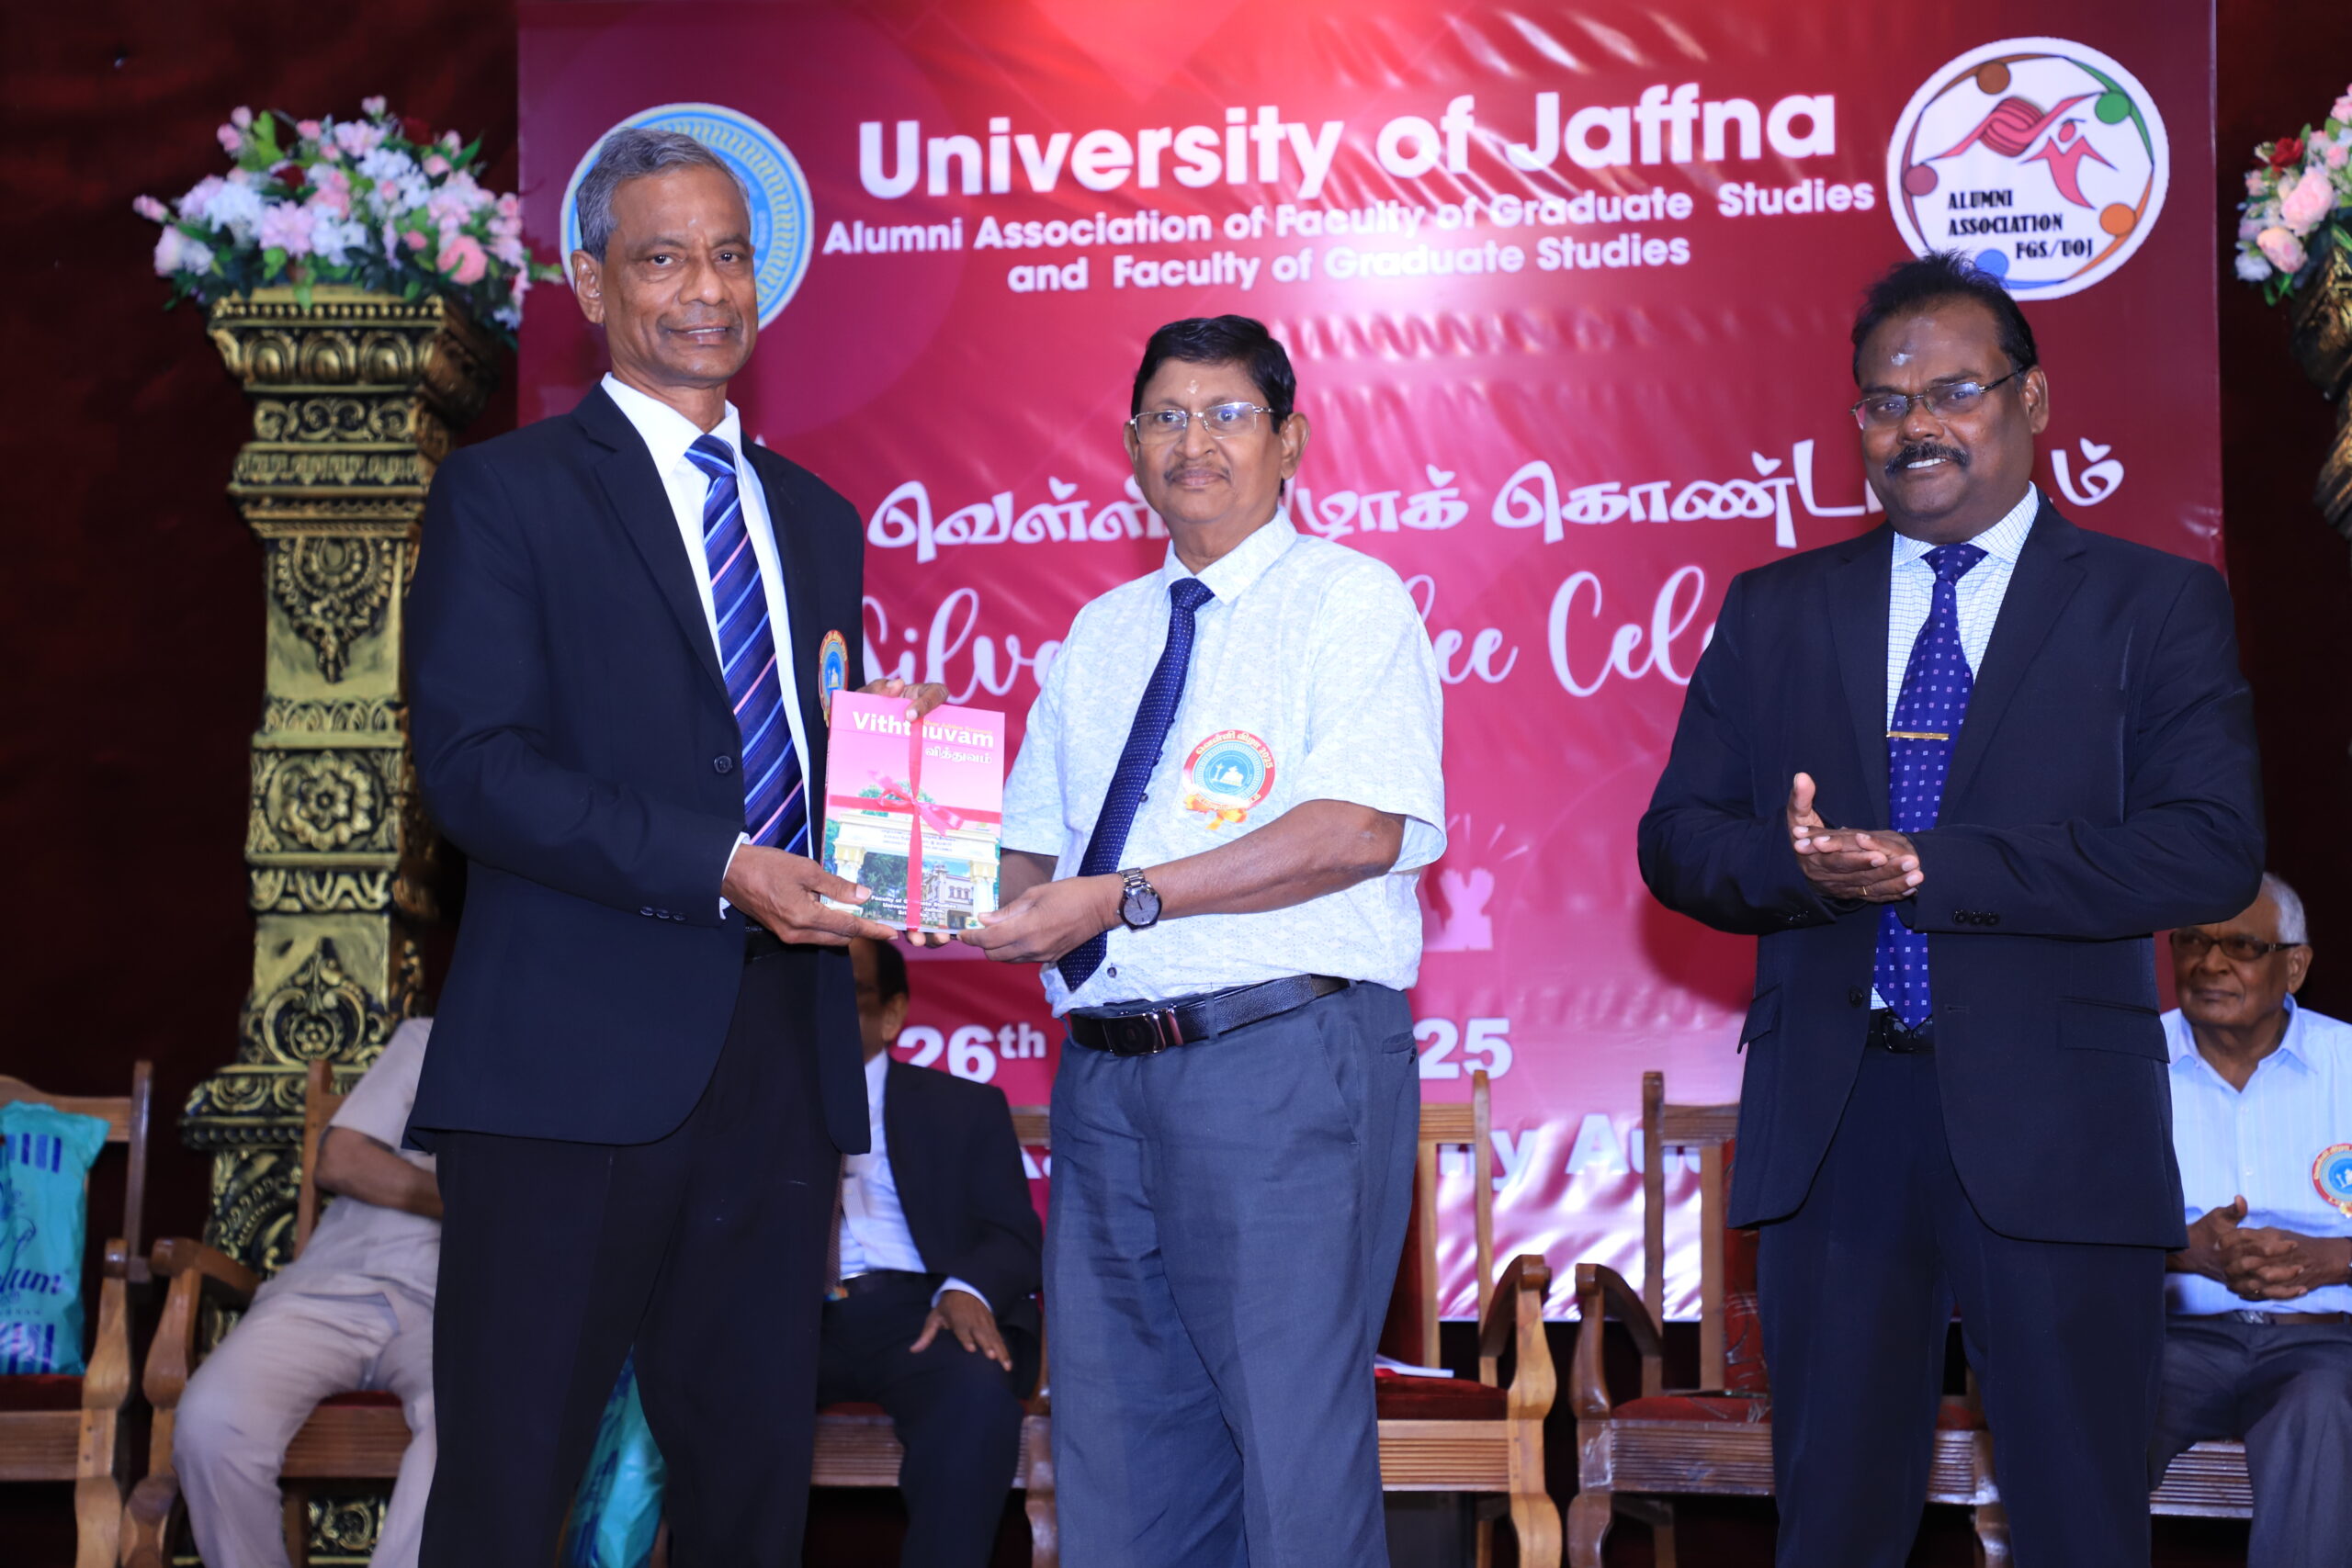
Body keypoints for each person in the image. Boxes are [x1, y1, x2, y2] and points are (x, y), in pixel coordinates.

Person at [1637, 251, 2265, 1568]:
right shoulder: (1776, 609)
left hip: (2063, 1125)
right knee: (1834, 1526)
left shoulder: (2153, 603)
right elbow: (1677, 842)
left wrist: (1939, 867)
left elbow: (2209, 852)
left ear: (2031, 401)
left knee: (2080, 1521)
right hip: (1835, 1120)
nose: (1913, 424)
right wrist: (1806, 869)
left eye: (1952, 391)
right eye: (1883, 401)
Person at [402, 126, 941, 1566]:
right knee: (507, 1496)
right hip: (566, 1074)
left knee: (749, 1504)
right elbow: (473, 769)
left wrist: (889, 773)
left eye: (729, 254)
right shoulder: (505, 492)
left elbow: (791, 764)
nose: (706, 287)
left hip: (780, 1071)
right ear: (591, 283)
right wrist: (719, 860)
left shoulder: (819, 519)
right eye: (662, 257)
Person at [969, 314, 1446, 1567]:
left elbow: (1354, 829)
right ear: (1130, 446)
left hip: (1278, 1061)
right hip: (1104, 1083)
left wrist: (1125, 896)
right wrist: (909, 806)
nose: (1195, 441)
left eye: (1228, 414)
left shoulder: (1348, 599)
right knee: (1119, 1463)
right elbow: (1027, 868)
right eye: (1166, 417)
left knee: (1292, 1465)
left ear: (1291, 440)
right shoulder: (1100, 632)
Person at [175, 1019, 439, 1568]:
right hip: (333, 1289)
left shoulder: (588, 1078)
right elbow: (342, 1159)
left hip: (461, 1314)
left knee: (473, 1423)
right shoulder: (435, 1039)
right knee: (210, 1420)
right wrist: (479, 1199)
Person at [817, 937, 1044, 1568]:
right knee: (723, 1381)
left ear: (891, 1013)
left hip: (921, 1312)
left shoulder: (963, 1107)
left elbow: (1014, 1233)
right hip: (793, 1316)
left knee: (976, 1393)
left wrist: (965, 1290)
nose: (822, 1011)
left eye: (845, 994)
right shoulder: (764, 1106)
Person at [2150, 874, 2352, 1568]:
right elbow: (2060, 1224)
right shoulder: (2127, 1063)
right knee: (2089, 1411)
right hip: (2169, 1341)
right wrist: (2183, 1250)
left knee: (2322, 1413)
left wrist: (2335, 1259)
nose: (2210, 963)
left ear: (2294, 966)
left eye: (2241, 945)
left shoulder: (2347, 1063)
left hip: (2323, 1344)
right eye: (2193, 942)